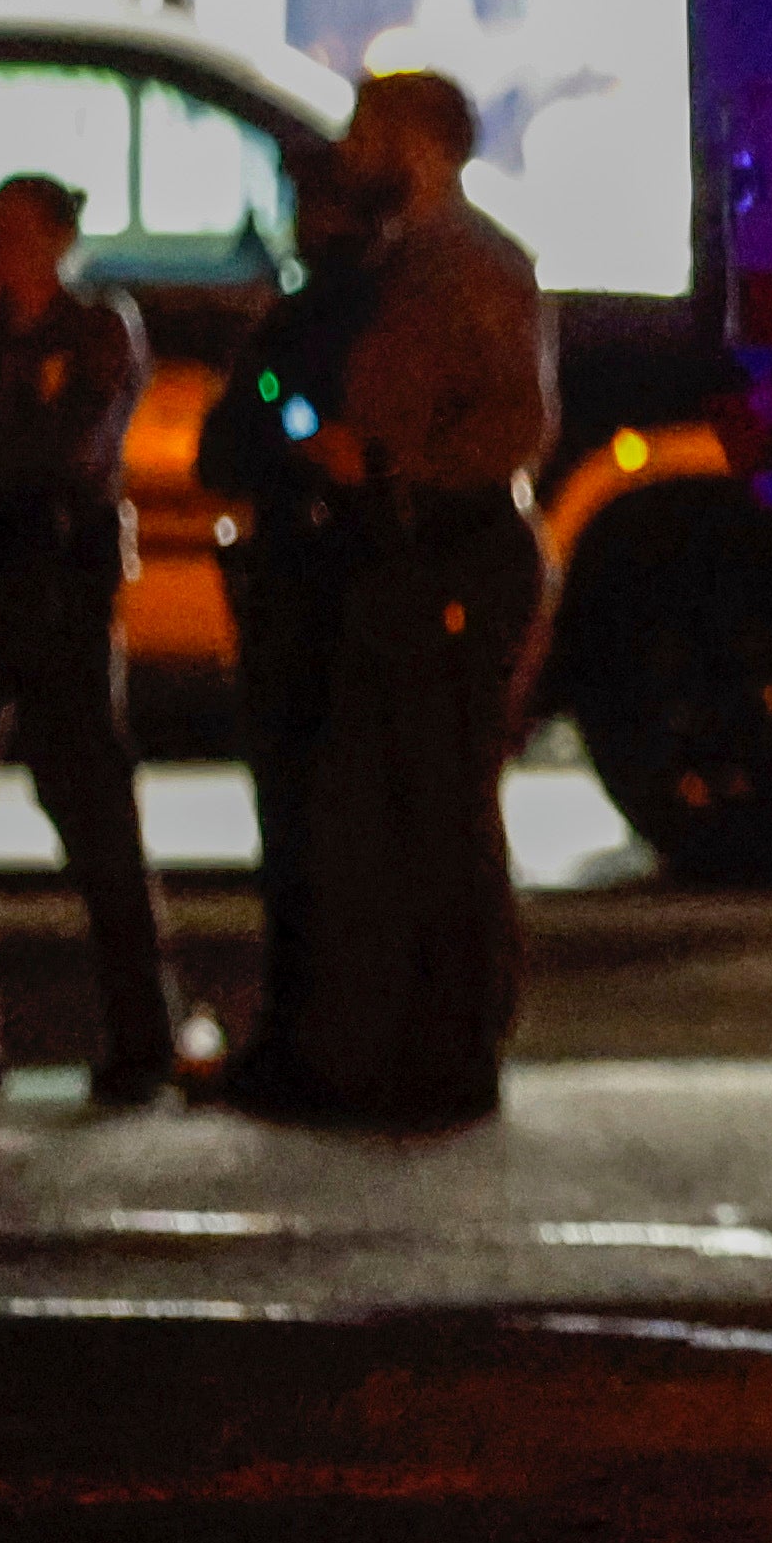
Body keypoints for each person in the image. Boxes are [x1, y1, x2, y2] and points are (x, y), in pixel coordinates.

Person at [219, 69, 549, 1132]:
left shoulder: (474, 260)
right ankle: (411, 1039)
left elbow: (512, 422)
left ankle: (452, 1049)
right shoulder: (409, 256)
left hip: (443, 550)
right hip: (404, 553)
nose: (353, 146)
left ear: (419, 142)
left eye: (371, 129)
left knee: (443, 806)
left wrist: (391, 462)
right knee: (399, 807)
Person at [0, 172, 183, 1109]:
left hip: (60, 592)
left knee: (94, 812)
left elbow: (60, 447)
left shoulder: (96, 326)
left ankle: (143, 1032)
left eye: (17, 231)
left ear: (57, 236)